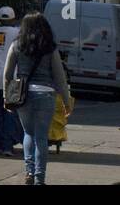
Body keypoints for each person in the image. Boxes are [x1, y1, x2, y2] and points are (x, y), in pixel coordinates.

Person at [4, 11, 73, 185]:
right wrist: (67, 101)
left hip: (23, 95)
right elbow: (59, 77)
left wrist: (7, 96)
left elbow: (7, 74)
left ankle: (29, 171)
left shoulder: (16, 45)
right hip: (45, 94)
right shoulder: (50, 47)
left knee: (28, 133)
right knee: (41, 137)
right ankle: (39, 178)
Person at [0, 6, 22, 157]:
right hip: (11, 77)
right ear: (13, 18)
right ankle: (8, 146)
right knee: (10, 111)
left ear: (0, 19)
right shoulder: (17, 33)